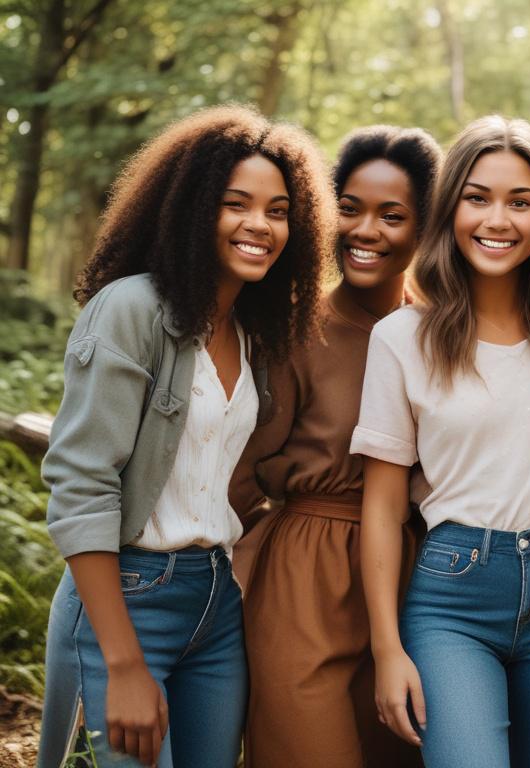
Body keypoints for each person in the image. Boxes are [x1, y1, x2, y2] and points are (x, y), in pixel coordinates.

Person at [36, 105, 333, 768]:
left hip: (216, 602)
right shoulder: (132, 309)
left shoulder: (252, 333)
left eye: (279, 210)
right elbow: (81, 487)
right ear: (194, 208)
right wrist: (123, 662)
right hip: (128, 597)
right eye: (236, 204)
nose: (260, 224)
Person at [351, 115, 530, 768]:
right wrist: (387, 649)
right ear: (449, 209)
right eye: (477, 197)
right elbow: (380, 505)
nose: (498, 219)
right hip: (453, 595)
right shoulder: (403, 338)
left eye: (520, 202)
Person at [228, 124, 441, 768]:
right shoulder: (294, 329)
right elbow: (237, 472)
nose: (364, 230)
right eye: (349, 209)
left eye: (392, 215)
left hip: (415, 579)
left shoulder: (444, 332)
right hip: (306, 578)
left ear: (428, 227)